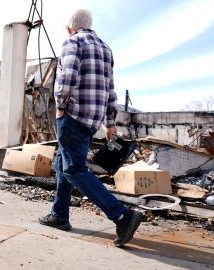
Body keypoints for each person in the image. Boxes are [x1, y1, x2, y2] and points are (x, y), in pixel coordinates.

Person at [39, 9, 143, 247]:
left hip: (73, 116)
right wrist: (110, 123)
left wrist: (60, 107)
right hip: (92, 121)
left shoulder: (72, 42)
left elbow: (66, 78)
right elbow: (110, 89)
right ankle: (59, 215)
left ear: (70, 28)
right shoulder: (106, 49)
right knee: (61, 161)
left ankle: (122, 215)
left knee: (74, 169)